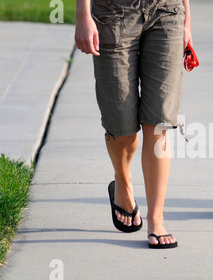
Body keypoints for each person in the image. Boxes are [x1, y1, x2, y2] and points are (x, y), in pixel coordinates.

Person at [75, 0, 192, 248]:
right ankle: (123, 183)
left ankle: (156, 218)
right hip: (113, 13)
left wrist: (187, 21)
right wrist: (83, 15)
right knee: (122, 127)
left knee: (159, 122)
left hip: (166, 11)